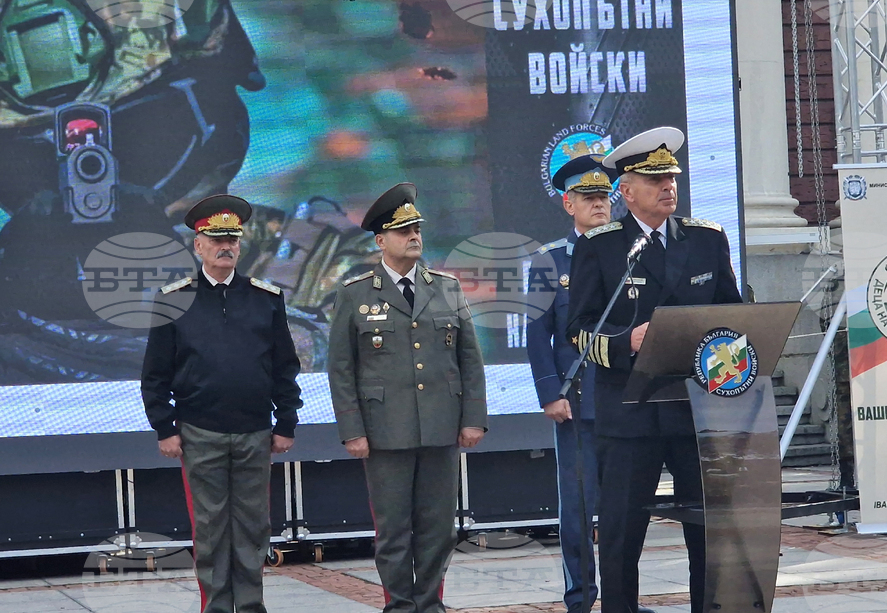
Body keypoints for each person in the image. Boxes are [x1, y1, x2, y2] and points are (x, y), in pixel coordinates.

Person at [566, 128, 743, 613]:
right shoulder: (601, 246)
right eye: (655, 178)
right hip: (630, 413)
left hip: (694, 411)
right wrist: (627, 342)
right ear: (625, 190)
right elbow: (578, 330)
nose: (669, 186)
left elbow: (732, 316)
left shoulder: (707, 239)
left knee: (707, 533)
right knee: (623, 536)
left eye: (672, 177)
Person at [327, 183, 488, 613]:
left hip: (440, 426)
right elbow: (341, 369)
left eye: (416, 228)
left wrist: (473, 418)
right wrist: (352, 430)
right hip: (385, 432)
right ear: (381, 240)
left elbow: (469, 360)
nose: (414, 236)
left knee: (438, 528)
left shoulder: (447, 288)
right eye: (403, 231)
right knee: (394, 531)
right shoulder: (355, 293)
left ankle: (429, 604)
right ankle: (399, 605)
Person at [141, 194, 303, 613]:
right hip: (199, 432)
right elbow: (155, 374)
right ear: (198, 245)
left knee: (253, 526)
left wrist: (286, 421)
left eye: (232, 237)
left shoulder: (266, 298)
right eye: (215, 239)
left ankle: (250, 606)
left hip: (255, 432)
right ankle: (216, 607)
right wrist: (165, 427)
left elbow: (285, 367)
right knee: (210, 529)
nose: (225, 245)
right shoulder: (173, 299)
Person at [526, 155, 614, 613]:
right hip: (576, 401)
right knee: (578, 511)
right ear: (569, 205)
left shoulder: (628, 251)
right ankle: (581, 599)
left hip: (625, 400)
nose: (600, 205)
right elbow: (538, 334)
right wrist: (550, 393)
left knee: (623, 510)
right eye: (590, 198)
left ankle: (622, 597)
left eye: (605, 197)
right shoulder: (551, 260)